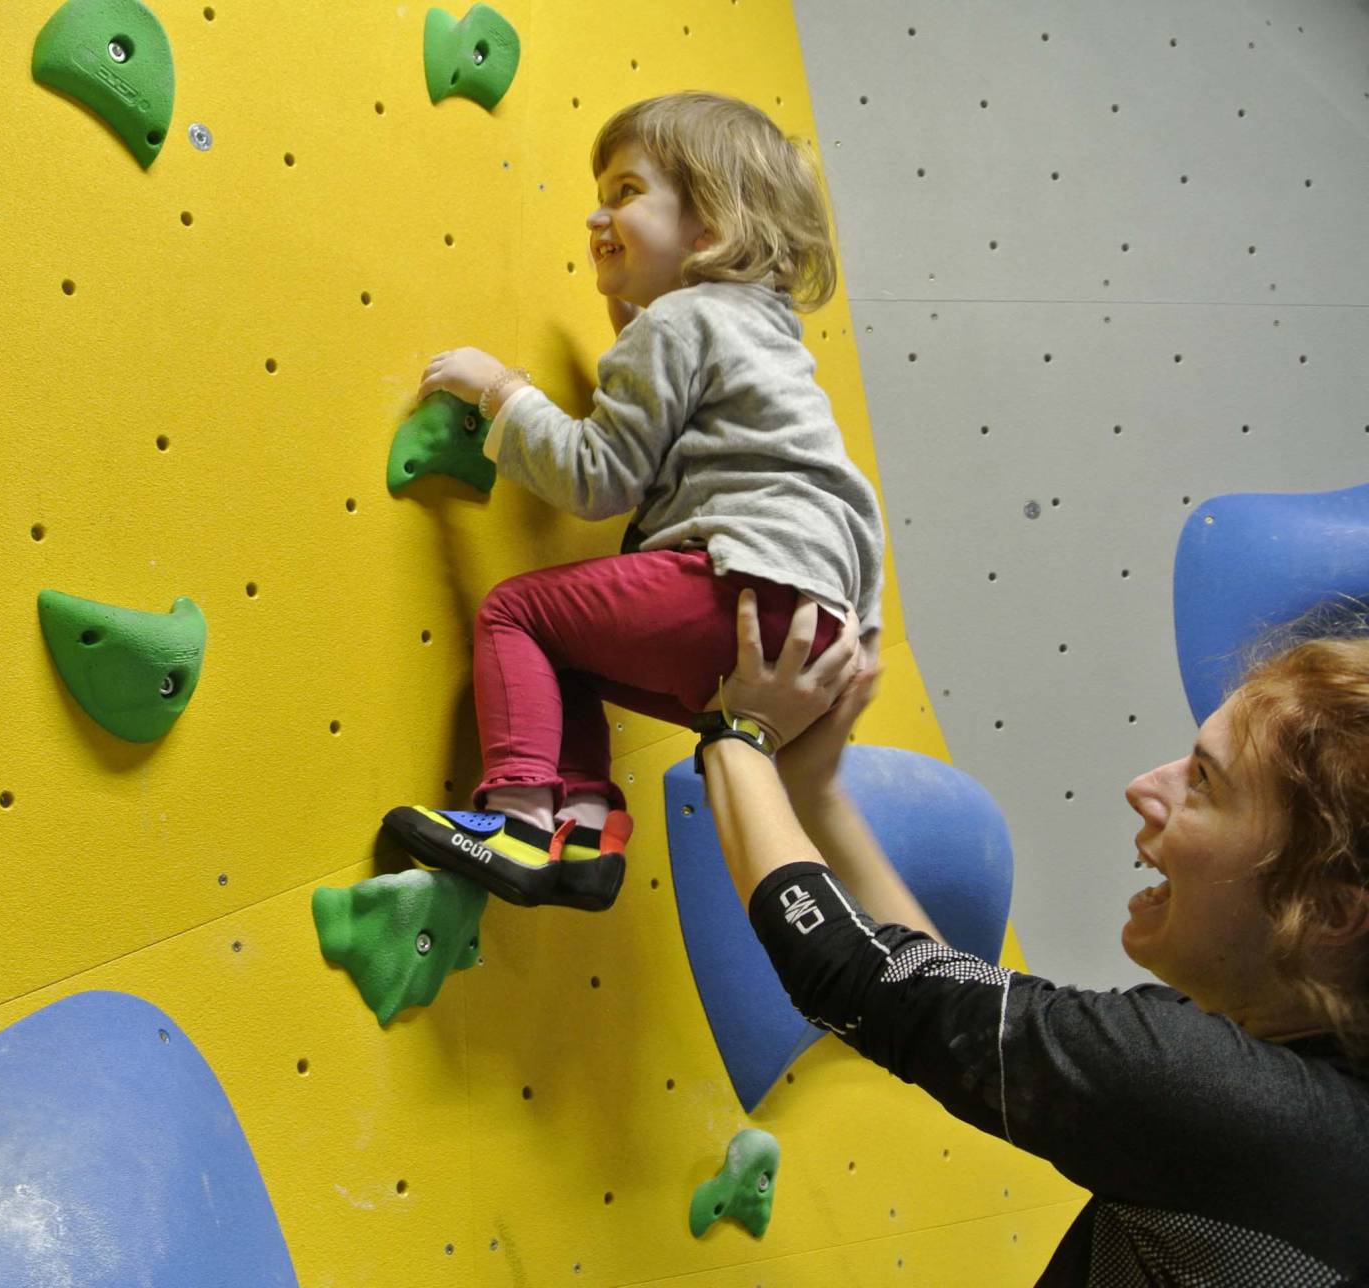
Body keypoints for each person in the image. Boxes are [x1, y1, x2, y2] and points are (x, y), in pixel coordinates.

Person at [702, 593, 1369, 1285]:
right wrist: (813, 789)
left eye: (1205, 782)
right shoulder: (1312, 1110)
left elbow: (851, 974)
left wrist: (736, 728)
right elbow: (939, 1000)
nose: (1146, 787)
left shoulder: (1221, 1097)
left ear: (1325, 911)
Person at [383, 91, 884, 912]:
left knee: (517, 614)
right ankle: (579, 835)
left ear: (710, 231)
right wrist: (861, 634)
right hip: (817, 630)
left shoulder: (682, 323)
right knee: (571, 651)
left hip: (736, 586)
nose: (596, 214)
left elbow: (596, 478)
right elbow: (848, 499)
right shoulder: (770, 344)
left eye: (624, 192)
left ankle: (513, 816)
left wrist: (502, 393)